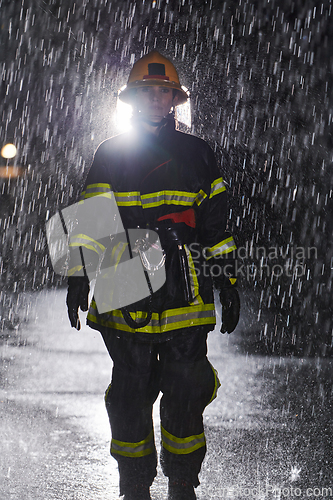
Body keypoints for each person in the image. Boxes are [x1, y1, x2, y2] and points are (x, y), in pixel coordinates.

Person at [66, 51, 240, 500]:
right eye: (147, 92)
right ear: (133, 100)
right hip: (126, 292)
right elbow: (89, 225)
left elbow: (216, 227)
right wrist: (78, 280)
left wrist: (227, 282)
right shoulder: (110, 155)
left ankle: (182, 484)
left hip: (185, 290)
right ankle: (133, 486)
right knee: (129, 395)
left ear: (175, 99)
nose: (156, 100)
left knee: (186, 392)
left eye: (164, 92)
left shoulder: (199, 154)